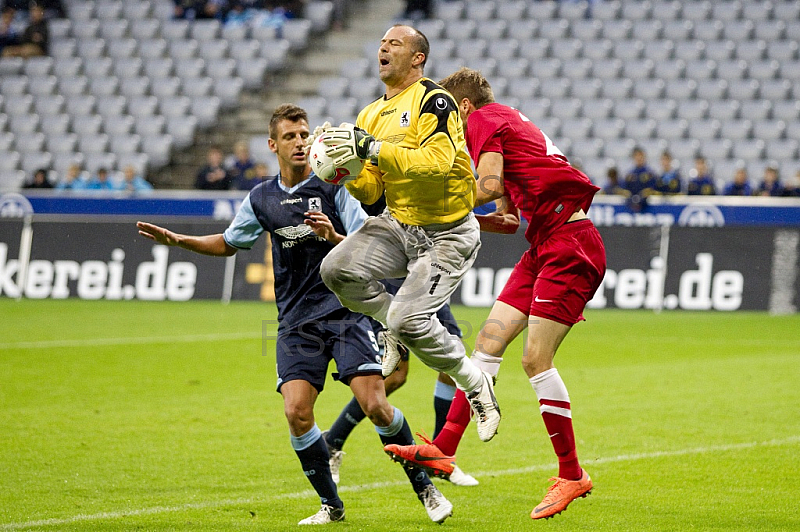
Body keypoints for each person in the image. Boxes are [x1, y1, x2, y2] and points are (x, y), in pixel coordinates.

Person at [136, 103, 453, 525]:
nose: (300, 142)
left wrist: (334, 235)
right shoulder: (262, 198)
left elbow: (368, 242)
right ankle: (331, 506)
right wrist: (179, 240)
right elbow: (231, 242)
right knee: (297, 412)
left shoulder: (336, 186)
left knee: (376, 404)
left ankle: (425, 489)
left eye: (304, 135)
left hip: (345, 312)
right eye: (290, 137)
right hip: (296, 321)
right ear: (273, 145)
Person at [383, 68, 606, 520]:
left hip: (570, 244)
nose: (441, 121)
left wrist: (433, 203)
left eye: (444, 111)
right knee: (486, 344)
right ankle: (444, 448)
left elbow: (487, 185)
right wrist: (484, 213)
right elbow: (504, 203)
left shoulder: (483, 118)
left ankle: (572, 474)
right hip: (545, 244)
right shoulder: (503, 124)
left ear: (461, 106)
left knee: (534, 360)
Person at [314, 24, 500, 445]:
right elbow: (373, 192)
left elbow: (436, 163)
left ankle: (475, 384)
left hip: (448, 233)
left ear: (418, 58)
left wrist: (371, 150)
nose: (383, 48)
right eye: (381, 44)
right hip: (399, 224)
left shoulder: (436, 100)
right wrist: (343, 171)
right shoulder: (369, 115)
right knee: (336, 269)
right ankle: (390, 327)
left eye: (394, 43)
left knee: (408, 317)